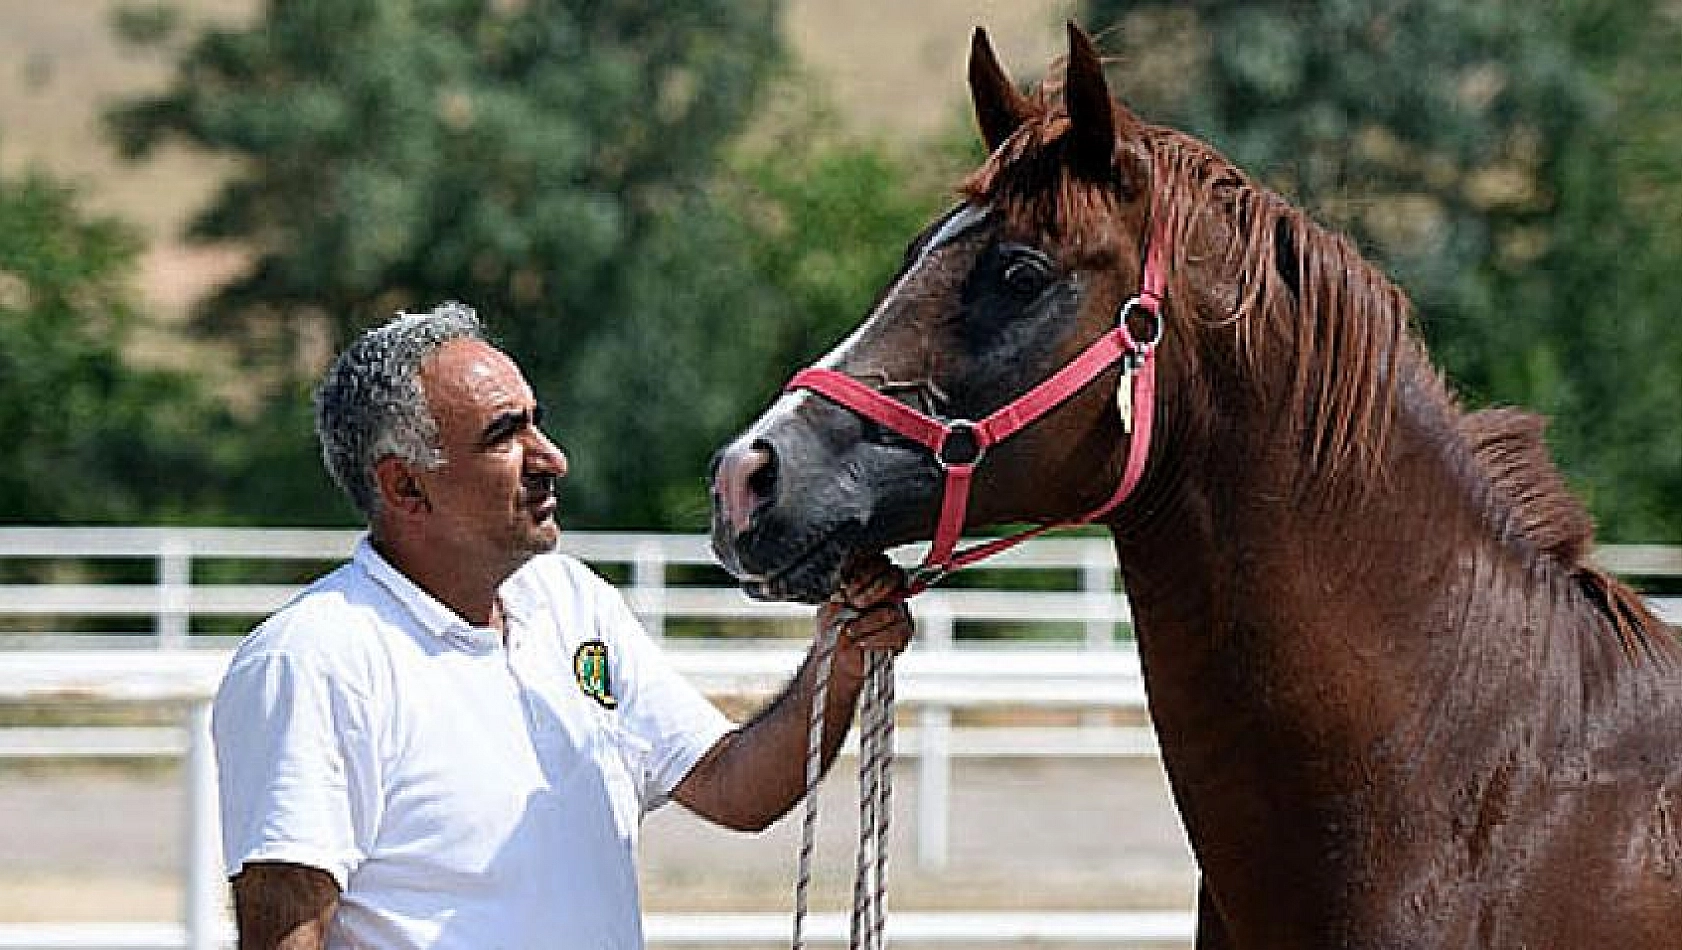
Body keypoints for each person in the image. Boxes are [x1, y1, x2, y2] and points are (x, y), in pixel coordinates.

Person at [211, 302, 914, 950]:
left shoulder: (571, 602)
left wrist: (839, 661)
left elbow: (735, 788)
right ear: (404, 486)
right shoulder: (313, 659)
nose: (551, 458)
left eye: (534, 421)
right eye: (503, 436)